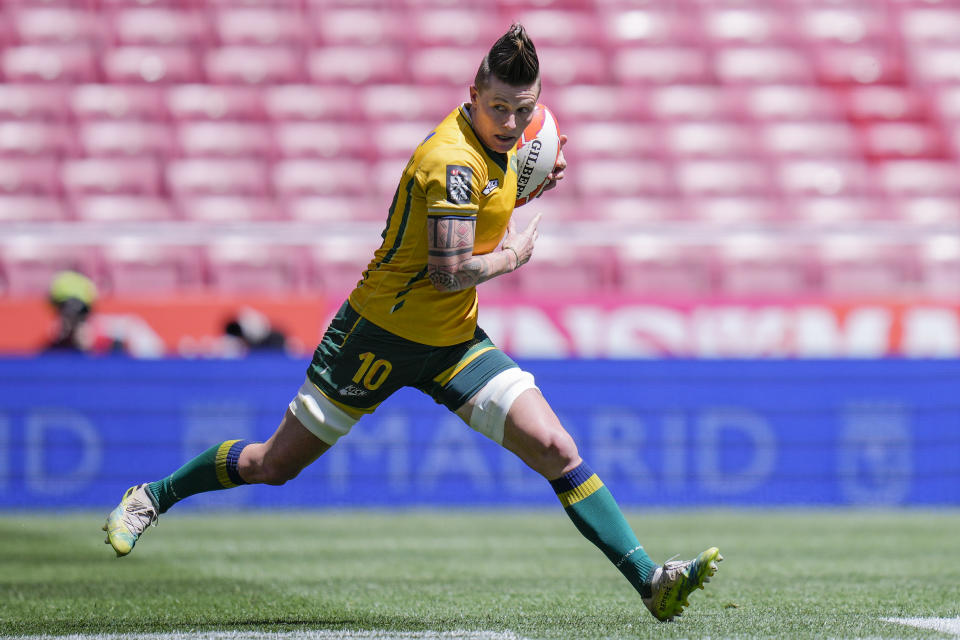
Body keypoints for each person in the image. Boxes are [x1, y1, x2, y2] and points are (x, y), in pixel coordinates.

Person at [103, 24, 721, 622]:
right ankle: (152, 497)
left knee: (557, 448)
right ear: (472, 95)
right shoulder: (450, 161)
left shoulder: (510, 144)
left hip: (452, 341)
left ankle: (650, 583)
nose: (510, 123)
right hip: (375, 335)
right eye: (499, 108)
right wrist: (514, 255)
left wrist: (528, 188)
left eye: (522, 109)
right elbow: (448, 271)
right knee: (274, 465)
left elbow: (485, 204)